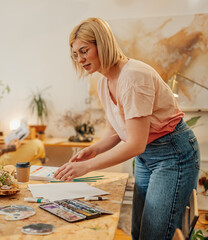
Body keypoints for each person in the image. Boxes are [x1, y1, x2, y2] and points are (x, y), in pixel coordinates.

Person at [54, 17, 200, 240]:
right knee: (138, 231)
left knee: (154, 234)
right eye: (75, 54)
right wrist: (94, 150)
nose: (80, 59)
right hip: (147, 156)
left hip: (172, 154)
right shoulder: (103, 80)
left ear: (102, 44)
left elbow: (135, 143)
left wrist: (87, 167)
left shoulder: (133, 77)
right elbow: (116, 129)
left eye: (84, 51)